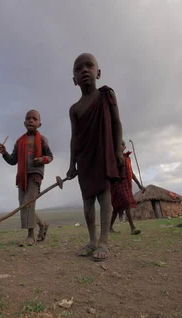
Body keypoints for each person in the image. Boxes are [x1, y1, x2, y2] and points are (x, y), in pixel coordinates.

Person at [67, 53, 124, 261]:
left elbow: (117, 123)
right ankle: (92, 241)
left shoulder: (106, 95)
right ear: (74, 80)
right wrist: (71, 164)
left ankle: (104, 241)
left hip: (103, 153)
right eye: (78, 68)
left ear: (98, 73)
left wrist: (118, 150)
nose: (84, 70)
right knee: (87, 201)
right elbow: (74, 137)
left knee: (104, 196)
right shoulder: (74, 109)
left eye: (89, 66)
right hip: (84, 158)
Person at [0, 109, 53, 246]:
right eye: (28, 118)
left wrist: (42, 159)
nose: (31, 120)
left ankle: (30, 235)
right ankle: (42, 224)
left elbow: (50, 156)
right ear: (24, 122)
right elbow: (13, 161)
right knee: (24, 205)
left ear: (39, 124)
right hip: (22, 176)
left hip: (35, 175)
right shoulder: (19, 141)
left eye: (34, 118)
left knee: (27, 203)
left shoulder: (42, 140)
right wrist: (4, 153)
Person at [110, 140, 144, 235]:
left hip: (126, 185)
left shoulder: (127, 159)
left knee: (116, 208)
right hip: (117, 184)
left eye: (123, 144)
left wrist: (138, 184)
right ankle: (132, 228)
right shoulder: (113, 158)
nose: (122, 146)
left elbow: (131, 173)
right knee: (126, 204)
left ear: (124, 147)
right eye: (119, 144)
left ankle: (109, 227)